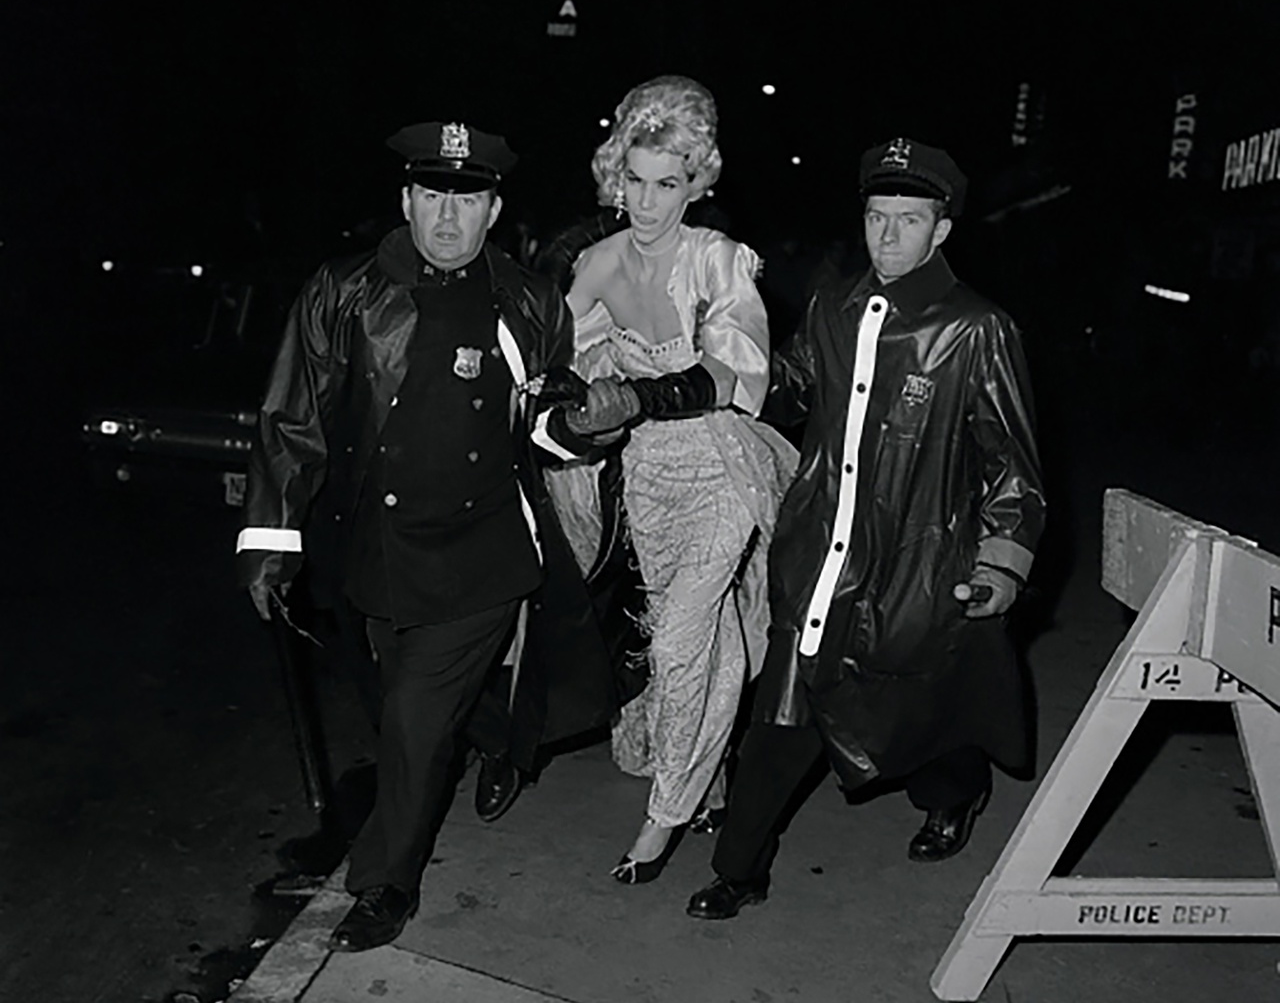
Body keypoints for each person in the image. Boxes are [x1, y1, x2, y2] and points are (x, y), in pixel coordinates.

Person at [236, 120, 614, 951]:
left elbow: (543, 428)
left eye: (467, 198)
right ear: (406, 199)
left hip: (483, 553)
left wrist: (586, 425)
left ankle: (382, 885)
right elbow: (290, 420)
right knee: (400, 709)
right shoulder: (343, 291)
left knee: (412, 721)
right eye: (434, 196)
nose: (448, 216)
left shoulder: (528, 300)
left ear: (493, 207)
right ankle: (505, 737)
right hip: (374, 551)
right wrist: (271, 542)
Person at [687, 137, 1046, 921]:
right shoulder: (833, 306)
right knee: (783, 716)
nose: (887, 237)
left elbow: (1013, 465)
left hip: (916, 569)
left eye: (908, 220)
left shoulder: (977, 330)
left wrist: (1001, 564)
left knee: (915, 718)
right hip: (819, 557)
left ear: (941, 229)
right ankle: (739, 868)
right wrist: (710, 362)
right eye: (877, 217)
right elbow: (788, 384)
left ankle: (958, 791)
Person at [548, 75, 797, 884]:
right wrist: (579, 400)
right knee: (704, 643)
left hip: (722, 465)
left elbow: (741, 373)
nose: (650, 202)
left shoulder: (718, 259)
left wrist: (650, 388)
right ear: (614, 175)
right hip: (650, 475)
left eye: (670, 183)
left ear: (698, 182)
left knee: (685, 639)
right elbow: (565, 365)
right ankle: (713, 774)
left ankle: (663, 817)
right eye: (636, 180)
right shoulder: (594, 263)